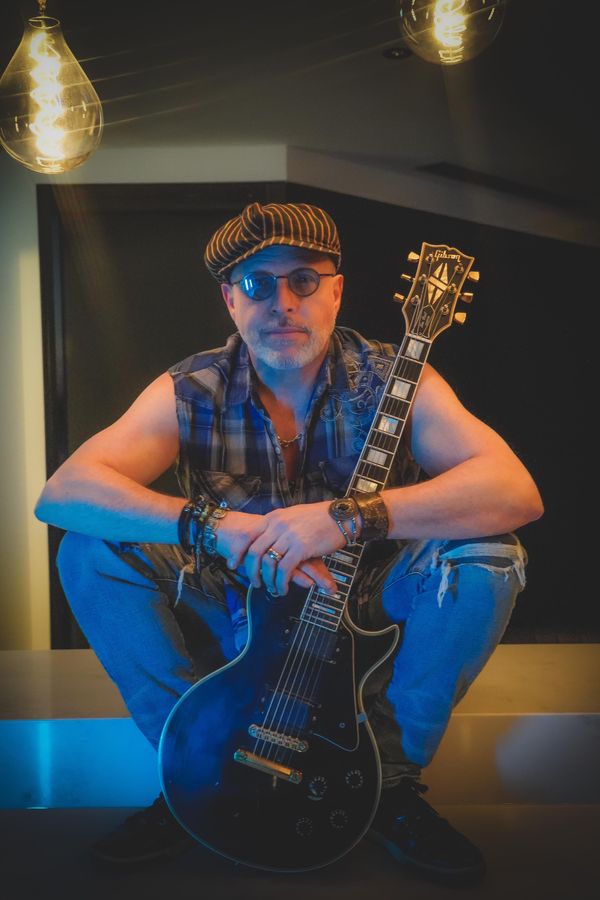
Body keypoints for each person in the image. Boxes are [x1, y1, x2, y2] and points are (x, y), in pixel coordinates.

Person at [34, 201, 543, 885]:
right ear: (230, 301)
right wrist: (217, 526)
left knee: (489, 554)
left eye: (304, 279)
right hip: (236, 609)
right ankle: (193, 765)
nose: (283, 302)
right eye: (257, 284)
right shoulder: (192, 388)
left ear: (336, 290)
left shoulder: (394, 376)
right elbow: (62, 492)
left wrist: (349, 517)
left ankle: (390, 783)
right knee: (88, 549)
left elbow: (515, 491)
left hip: (368, 610)